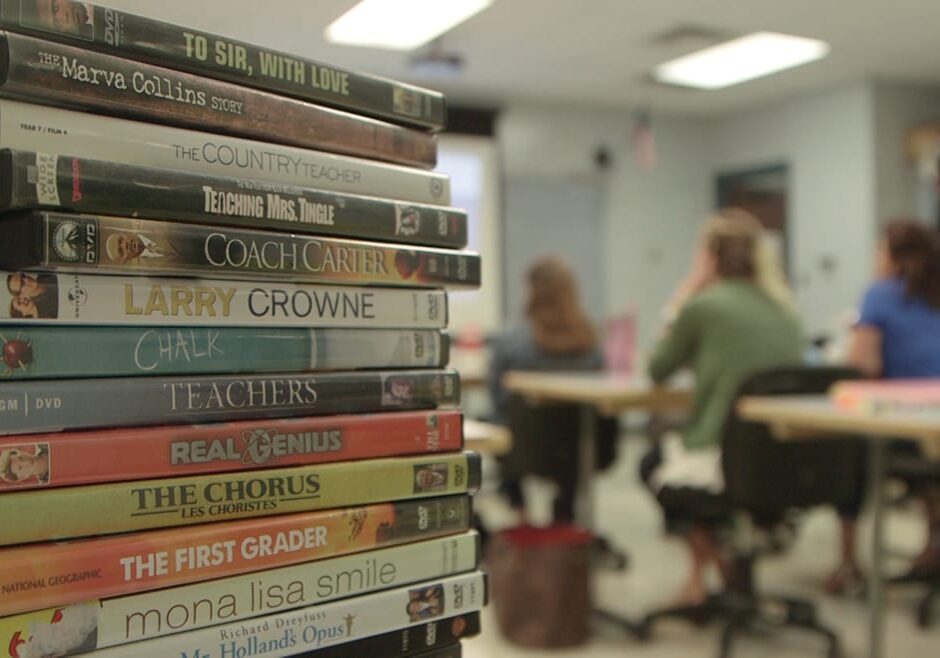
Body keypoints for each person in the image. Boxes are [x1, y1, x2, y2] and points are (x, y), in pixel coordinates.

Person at [643, 208, 803, 605]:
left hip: (725, 456)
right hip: (787, 458)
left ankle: (718, 565)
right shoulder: (785, 308)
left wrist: (686, 291)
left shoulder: (704, 306)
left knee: (653, 465)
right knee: (686, 457)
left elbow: (657, 367)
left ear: (710, 257)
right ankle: (707, 573)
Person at [828, 219, 940, 592]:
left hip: (908, 423)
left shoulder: (880, 294)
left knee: (851, 451)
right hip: (934, 426)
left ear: (894, 258)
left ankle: (848, 563)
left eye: (879, 251)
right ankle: (933, 546)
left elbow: (865, 366)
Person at [487, 255, 604, 523]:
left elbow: (498, 398)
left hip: (522, 448)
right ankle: (565, 515)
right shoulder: (590, 342)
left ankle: (521, 514)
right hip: (579, 450)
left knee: (495, 422)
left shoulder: (511, 341)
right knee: (573, 437)